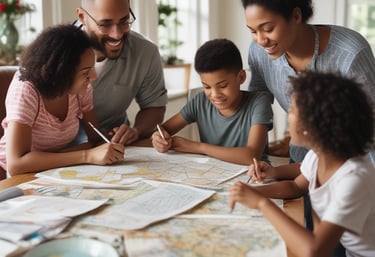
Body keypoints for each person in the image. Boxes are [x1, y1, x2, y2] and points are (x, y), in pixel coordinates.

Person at [229, 71, 375, 257]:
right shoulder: (318, 156)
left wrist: (262, 203)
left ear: (313, 126)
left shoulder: (354, 179)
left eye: (292, 111)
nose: (288, 116)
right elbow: (296, 186)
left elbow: (314, 251)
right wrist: (251, 192)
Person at [240, 0, 375, 168]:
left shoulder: (350, 52)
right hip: (302, 164)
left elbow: (370, 123)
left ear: (296, 16)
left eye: (268, 29)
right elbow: (257, 102)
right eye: (253, 31)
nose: (260, 40)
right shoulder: (258, 52)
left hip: (358, 169)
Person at [0, 24, 125, 177]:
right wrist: (88, 155)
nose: (93, 77)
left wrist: (113, 139)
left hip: (59, 170)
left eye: (92, 68)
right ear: (60, 72)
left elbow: (95, 138)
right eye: (86, 72)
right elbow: (16, 164)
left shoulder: (81, 88)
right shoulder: (25, 90)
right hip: (24, 176)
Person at [152, 38, 273, 165]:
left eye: (223, 86)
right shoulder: (200, 101)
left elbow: (251, 156)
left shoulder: (259, 102)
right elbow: (164, 129)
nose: (215, 95)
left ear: (241, 77)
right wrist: (158, 138)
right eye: (207, 87)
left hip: (253, 177)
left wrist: (198, 147)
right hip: (213, 175)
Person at [75, 0, 167, 145]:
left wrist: (136, 131)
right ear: (82, 17)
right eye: (105, 24)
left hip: (117, 147)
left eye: (124, 21)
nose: (117, 34)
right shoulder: (53, 53)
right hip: (64, 152)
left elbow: (154, 106)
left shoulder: (146, 53)